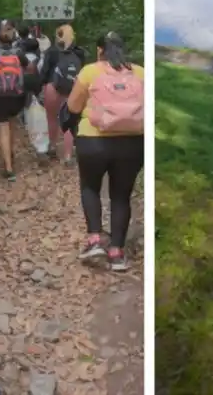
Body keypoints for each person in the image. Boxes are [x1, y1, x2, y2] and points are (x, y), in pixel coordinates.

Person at [63, 31, 144, 273]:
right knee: (121, 196)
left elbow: (73, 106)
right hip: (132, 143)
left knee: (90, 187)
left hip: (93, 141)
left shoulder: (90, 71)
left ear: (100, 50)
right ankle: (117, 253)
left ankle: (95, 241)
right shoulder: (141, 73)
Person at [0, 24, 31, 181]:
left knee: (3, 130)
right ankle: (10, 153)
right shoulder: (19, 53)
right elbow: (30, 68)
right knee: (12, 126)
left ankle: (8, 168)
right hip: (16, 96)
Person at [39, 24, 85, 165]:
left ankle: (52, 147)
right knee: (69, 122)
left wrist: (41, 87)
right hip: (72, 88)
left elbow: (44, 73)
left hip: (53, 88)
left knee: (52, 119)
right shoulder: (79, 52)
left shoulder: (51, 51)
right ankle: (68, 156)